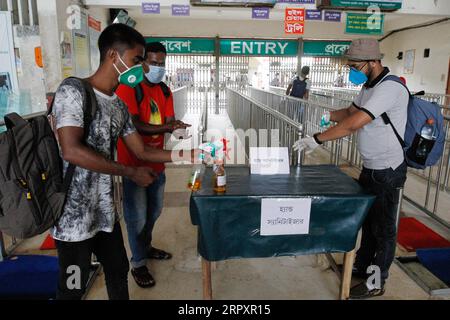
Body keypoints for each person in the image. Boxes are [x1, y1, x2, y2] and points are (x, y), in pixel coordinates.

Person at [51, 23, 198, 300]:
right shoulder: (73, 91)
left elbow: (141, 151)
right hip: (73, 219)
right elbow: (70, 150)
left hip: (105, 214)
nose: (141, 67)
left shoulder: (117, 105)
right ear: (112, 56)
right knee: (72, 286)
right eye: (136, 59)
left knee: (118, 271)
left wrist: (190, 155)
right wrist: (129, 171)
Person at [293, 38, 409, 299]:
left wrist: (317, 138)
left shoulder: (390, 89)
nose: (352, 71)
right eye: (350, 67)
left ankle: (377, 281)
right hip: (371, 166)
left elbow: (355, 122)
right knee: (367, 222)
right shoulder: (369, 86)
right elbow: (349, 112)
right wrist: (325, 116)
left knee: (384, 228)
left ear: (373, 62)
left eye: (356, 66)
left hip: (388, 169)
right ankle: (362, 266)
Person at [116, 42, 190, 288]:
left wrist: (177, 129)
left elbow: (168, 121)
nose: (158, 68)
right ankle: (137, 263)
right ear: (143, 63)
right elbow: (135, 125)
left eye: (162, 63)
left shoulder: (166, 91)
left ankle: (145, 247)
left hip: (157, 164)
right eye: (154, 63)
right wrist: (167, 127)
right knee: (136, 217)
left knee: (155, 211)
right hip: (134, 167)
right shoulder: (130, 89)